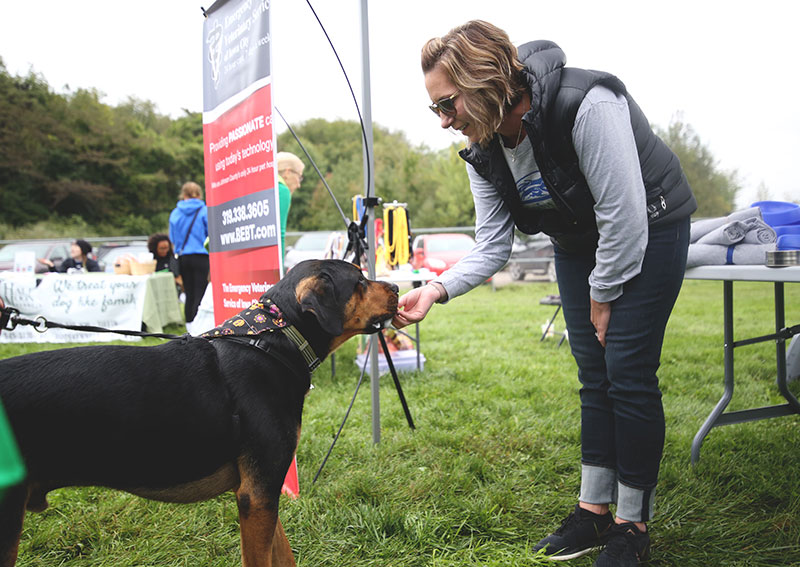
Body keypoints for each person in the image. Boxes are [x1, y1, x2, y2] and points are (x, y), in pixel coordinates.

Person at [394, 21, 697, 567]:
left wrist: (601, 294)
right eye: (433, 109)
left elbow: (623, 217)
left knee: (625, 367)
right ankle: (593, 513)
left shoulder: (586, 103)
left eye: (447, 103)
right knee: (592, 372)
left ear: (483, 79)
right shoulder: (482, 148)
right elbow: (492, 246)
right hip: (579, 239)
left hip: (649, 225)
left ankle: (632, 524)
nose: (443, 121)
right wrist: (435, 289)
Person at [169, 181, 209, 323]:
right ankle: (198, 325)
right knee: (201, 291)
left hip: (183, 256)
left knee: (189, 292)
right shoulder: (204, 210)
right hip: (201, 255)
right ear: (199, 194)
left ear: (183, 194)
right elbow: (210, 235)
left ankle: (189, 324)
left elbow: (172, 238)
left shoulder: (175, 213)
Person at [276, 151, 305, 255]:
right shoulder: (281, 190)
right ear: (287, 172)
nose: (298, 185)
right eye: (299, 177)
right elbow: (280, 234)